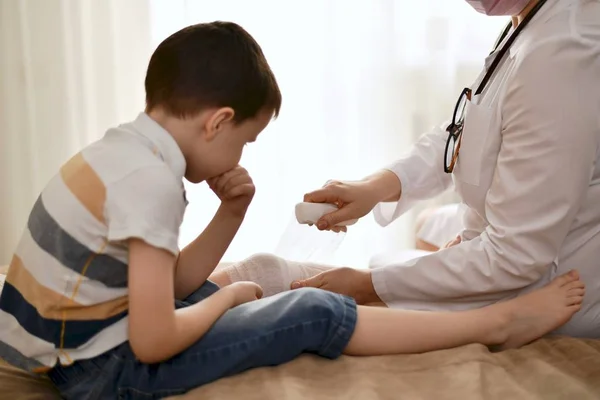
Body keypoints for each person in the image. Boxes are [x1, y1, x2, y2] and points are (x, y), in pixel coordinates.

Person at [0, 20, 587, 399]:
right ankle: (496, 323)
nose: (240, 155)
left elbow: (173, 282)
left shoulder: (119, 153)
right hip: (101, 371)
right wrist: (231, 297)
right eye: (245, 141)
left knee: (249, 279)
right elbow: (153, 340)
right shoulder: (152, 183)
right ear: (218, 122)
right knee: (312, 309)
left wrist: (230, 213)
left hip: (75, 345)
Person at [262, 0, 600, 338]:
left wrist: (367, 286)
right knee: (422, 228)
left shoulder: (560, 56)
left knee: (289, 284)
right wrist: (376, 186)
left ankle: (502, 321)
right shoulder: (530, 20)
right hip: (505, 238)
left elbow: (516, 256)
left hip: (543, 277)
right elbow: (469, 126)